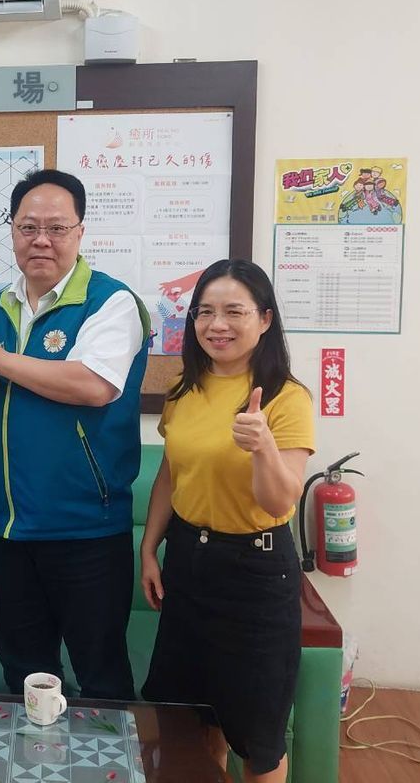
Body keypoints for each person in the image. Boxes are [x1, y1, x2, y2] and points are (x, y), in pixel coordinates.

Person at [0, 169, 150, 701]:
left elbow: (93, 386)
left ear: (80, 232)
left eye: (57, 228)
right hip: (9, 524)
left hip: (84, 527)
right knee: (24, 671)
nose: (41, 240)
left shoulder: (111, 302)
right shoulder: (1, 305)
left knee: (100, 675)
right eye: (28, 227)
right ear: (13, 232)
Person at [140, 259, 314, 783]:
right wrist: (149, 549)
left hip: (255, 572)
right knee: (192, 720)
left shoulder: (287, 397)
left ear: (264, 319)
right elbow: (170, 475)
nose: (217, 324)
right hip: (188, 560)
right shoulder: (184, 388)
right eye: (205, 312)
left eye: (234, 311)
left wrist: (263, 447)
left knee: (258, 740)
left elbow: (279, 501)